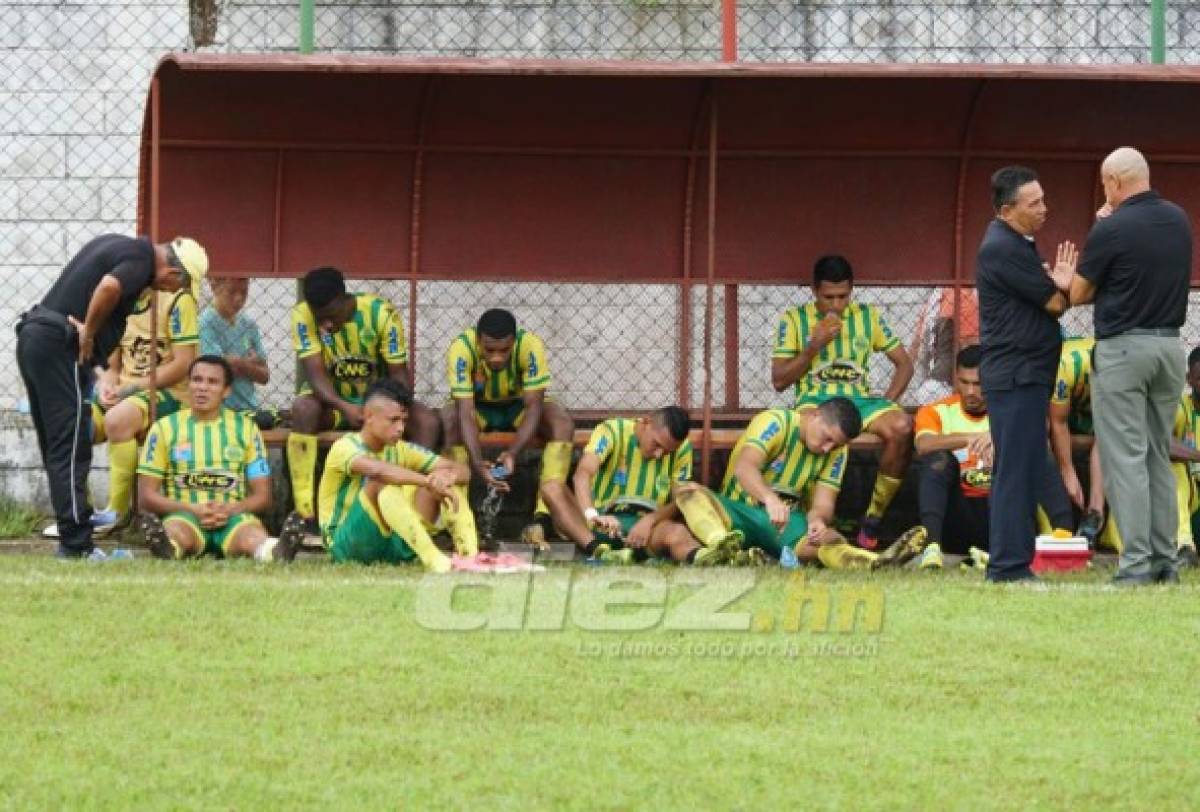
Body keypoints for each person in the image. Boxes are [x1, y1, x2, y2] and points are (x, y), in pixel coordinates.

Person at [15, 234, 207, 559]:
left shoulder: (121, 247)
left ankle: (79, 521)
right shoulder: (141, 259)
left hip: (38, 339)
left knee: (58, 443)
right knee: (71, 445)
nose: (171, 292)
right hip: (55, 345)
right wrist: (88, 333)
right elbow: (108, 287)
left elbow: (91, 303)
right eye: (177, 286)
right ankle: (77, 545)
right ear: (174, 273)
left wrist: (101, 371)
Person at [1062, 147, 1192, 585]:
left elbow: (1079, 292)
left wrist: (1096, 235)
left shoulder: (1111, 229)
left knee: (1125, 458)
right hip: (1170, 349)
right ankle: (1165, 562)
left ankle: (1135, 564)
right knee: (1158, 454)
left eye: (1105, 184)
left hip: (1123, 351)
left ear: (1115, 182)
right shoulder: (1179, 220)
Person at [673, 398, 929, 570]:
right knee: (690, 493)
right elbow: (745, 467)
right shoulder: (776, 422)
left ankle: (875, 562)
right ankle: (720, 545)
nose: (828, 448)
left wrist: (817, 520)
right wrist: (769, 498)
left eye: (836, 444)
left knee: (829, 538)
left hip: (785, 526)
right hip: (736, 513)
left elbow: (824, 503)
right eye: (827, 438)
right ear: (815, 415)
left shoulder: (837, 451)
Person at [771, 254, 915, 550]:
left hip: (860, 402)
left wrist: (886, 402)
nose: (836, 305)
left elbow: (905, 364)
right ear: (814, 291)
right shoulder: (794, 320)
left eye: (843, 296)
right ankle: (813, 521)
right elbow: (779, 380)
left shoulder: (867, 316)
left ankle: (872, 520)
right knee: (809, 430)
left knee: (902, 425)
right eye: (828, 297)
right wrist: (813, 347)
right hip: (816, 401)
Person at [975, 166, 1075, 582]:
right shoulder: (1003, 247)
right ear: (1006, 210)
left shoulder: (1015, 242)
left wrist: (1054, 285)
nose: (1044, 209)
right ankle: (1008, 566)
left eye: (1043, 198)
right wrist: (1064, 285)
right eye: (1034, 203)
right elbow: (1053, 303)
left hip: (1025, 373)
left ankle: (1016, 557)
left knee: (1023, 463)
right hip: (1016, 374)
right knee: (1014, 470)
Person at [287, 266, 439, 533]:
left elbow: (400, 378)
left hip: (378, 405)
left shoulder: (382, 314)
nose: (327, 325)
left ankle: (412, 510)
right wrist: (344, 406)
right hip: (335, 405)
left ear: (346, 299)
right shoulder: (301, 315)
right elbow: (314, 375)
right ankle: (306, 514)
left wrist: (379, 411)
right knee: (303, 409)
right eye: (320, 318)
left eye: (331, 316)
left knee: (427, 421)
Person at [913, 345, 1074, 570]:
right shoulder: (935, 411)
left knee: (1035, 452)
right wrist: (974, 438)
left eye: (978, 384)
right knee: (937, 460)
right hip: (959, 516)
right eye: (964, 382)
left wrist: (1001, 440)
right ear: (955, 379)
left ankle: (1065, 537)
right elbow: (924, 444)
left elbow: (1039, 439)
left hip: (1004, 513)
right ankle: (932, 547)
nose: (970, 391)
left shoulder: (1012, 412)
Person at [135, 355, 303, 562]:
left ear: (227, 391)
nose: (202, 388)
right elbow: (146, 497)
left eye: (212, 382)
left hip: (233, 518)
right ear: (188, 385)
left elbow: (263, 497)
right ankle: (167, 549)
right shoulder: (164, 428)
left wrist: (230, 510)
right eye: (197, 380)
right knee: (177, 532)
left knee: (251, 536)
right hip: (185, 515)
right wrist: (193, 509)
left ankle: (275, 552)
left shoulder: (246, 429)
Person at [442, 308, 574, 547]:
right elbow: (464, 411)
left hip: (517, 407)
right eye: (489, 350)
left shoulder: (530, 345)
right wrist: (476, 461)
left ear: (514, 341)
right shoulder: (461, 348)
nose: (496, 358)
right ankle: (459, 517)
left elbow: (534, 407)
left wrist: (513, 453)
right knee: (448, 420)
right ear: (478, 340)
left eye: (504, 350)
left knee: (561, 422)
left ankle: (543, 518)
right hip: (478, 409)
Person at [319, 379, 477, 571]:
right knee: (380, 484)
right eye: (393, 420)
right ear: (368, 416)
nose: (401, 428)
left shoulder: (401, 449)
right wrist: (429, 481)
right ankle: (434, 559)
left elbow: (463, 470)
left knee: (443, 476)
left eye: (403, 421)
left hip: (390, 544)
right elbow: (379, 471)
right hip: (346, 545)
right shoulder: (345, 447)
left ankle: (471, 557)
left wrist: (446, 478)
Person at [538, 406, 693, 563]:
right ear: (647, 422)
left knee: (677, 532)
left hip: (645, 531)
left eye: (667, 451)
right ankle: (599, 550)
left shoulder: (682, 449)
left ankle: (701, 558)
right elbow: (582, 474)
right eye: (657, 444)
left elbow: (679, 500)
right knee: (551, 487)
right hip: (597, 525)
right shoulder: (612, 431)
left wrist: (650, 520)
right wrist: (593, 516)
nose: (659, 454)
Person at [199, 276, 269, 415]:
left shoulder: (249, 324)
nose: (238, 299)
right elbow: (215, 371)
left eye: (244, 292)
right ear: (214, 287)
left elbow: (265, 376)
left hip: (249, 408)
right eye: (231, 292)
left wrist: (237, 363)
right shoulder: (206, 323)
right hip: (218, 408)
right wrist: (249, 365)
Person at [1168, 347, 1200, 568]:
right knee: (1176, 468)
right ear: (1189, 379)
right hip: (1191, 502)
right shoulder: (1179, 408)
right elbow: (1160, 443)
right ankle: (1184, 546)